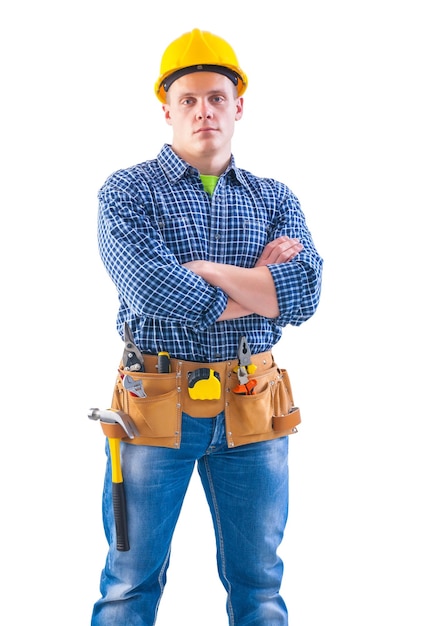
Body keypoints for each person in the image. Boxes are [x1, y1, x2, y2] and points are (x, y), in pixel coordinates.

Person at [91, 28, 323, 626]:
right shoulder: (127, 192)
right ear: (166, 108)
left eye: (217, 97)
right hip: (151, 408)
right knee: (128, 585)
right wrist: (260, 289)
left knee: (260, 587)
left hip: (254, 406)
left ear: (238, 106)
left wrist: (206, 272)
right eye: (189, 99)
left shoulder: (275, 199)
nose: (204, 111)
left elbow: (306, 293)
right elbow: (151, 287)